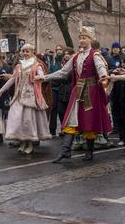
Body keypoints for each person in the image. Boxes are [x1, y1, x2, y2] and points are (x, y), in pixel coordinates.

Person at [41, 26, 112, 163]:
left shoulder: (95, 55)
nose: (81, 40)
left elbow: (101, 68)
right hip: (77, 91)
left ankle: (89, 151)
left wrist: (103, 75)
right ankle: (65, 151)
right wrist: (44, 78)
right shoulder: (76, 57)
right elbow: (63, 72)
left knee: (89, 121)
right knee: (71, 120)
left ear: (91, 40)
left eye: (84, 38)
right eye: (80, 38)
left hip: (90, 92)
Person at [0, 44, 51, 154]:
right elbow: (12, 80)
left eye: (27, 51)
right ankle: (23, 142)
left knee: (28, 121)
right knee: (17, 120)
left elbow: (42, 76)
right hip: (19, 96)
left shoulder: (36, 65)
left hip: (31, 97)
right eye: (23, 51)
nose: (25, 53)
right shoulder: (19, 66)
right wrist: (0, 91)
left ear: (32, 52)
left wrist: (40, 77)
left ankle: (29, 143)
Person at [47, 45, 64, 137]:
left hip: (62, 87)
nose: (58, 51)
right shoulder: (53, 61)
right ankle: (52, 130)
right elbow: (50, 72)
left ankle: (64, 128)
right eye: (57, 49)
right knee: (53, 108)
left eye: (60, 49)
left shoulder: (64, 61)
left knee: (62, 109)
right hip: (54, 87)